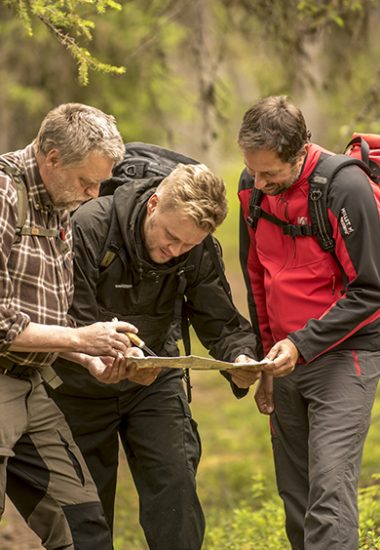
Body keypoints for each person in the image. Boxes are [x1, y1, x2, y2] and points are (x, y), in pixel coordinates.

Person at [39, 161, 259, 550]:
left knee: (176, 491)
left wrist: (241, 358)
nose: (174, 251)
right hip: (78, 390)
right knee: (84, 517)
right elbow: (69, 320)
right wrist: (103, 362)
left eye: (186, 245)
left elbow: (220, 320)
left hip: (153, 382)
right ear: (154, 203)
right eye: (170, 237)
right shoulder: (89, 226)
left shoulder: (196, 246)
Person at [237, 95, 380, 549]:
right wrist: (265, 367)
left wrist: (302, 342)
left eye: (271, 175)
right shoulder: (253, 188)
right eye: (253, 170)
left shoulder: (345, 189)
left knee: (329, 492)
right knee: (296, 496)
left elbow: (372, 291)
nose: (259, 182)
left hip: (346, 354)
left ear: (301, 150)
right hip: (283, 360)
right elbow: (256, 278)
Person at [0, 103, 143, 549]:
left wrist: (88, 355)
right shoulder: (5, 194)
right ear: (52, 156)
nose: (93, 192)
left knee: (83, 528)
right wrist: (80, 337)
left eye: (100, 182)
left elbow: (43, 314)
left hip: (31, 383)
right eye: (87, 181)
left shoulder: (59, 199)